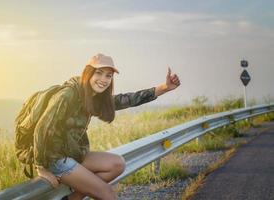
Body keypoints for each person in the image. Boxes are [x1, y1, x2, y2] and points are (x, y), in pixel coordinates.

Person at [34, 53, 181, 200]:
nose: (104, 80)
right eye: (99, 73)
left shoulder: (93, 96)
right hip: (55, 159)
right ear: (88, 73)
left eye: (108, 76)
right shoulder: (67, 94)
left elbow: (127, 99)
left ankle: (73, 198)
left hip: (72, 153)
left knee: (117, 164)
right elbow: (41, 127)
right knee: (107, 194)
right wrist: (41, 167)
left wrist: (164, 87)